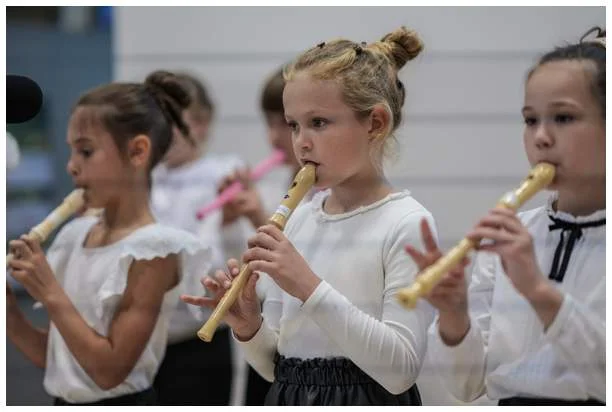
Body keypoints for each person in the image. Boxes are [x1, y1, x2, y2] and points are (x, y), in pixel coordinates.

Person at [183, 26, 436, 406]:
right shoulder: (301, 217)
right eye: (294, 124)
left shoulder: (406, 222)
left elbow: (400, 371)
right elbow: (281, 372)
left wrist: (306, 284)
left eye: (318, 122)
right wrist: (249, 326)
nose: (300, 141)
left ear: (376, 124)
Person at [405, 27, 606, 406]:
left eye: (563, 118)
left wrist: (538, 291)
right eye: (531, 120)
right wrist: (454, 315)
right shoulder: (515, 234)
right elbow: (466, 386)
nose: (541, 137)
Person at [6, 70, 212, 406]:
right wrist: (10, 313)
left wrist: (48, 290)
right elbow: (61, 360)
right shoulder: (74, 235)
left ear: (137, 152)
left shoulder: (155, 250)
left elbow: (107, 371)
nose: (72, 166)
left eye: (86, 152)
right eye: (71, 152)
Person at [151, 72, 240, 405]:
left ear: (202, 124)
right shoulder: (144, 179)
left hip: (200, 338)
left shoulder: (224, 174)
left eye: (173, 120)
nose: (161, 131)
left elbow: (221, 266)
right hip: (144, 340)